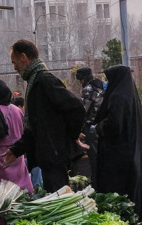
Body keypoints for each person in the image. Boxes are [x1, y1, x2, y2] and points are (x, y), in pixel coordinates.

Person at [5, 39, 85, 192]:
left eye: (14, 62)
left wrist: (71, 135)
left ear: (23, 57)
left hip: (54, 155)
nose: (14, 67)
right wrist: (16, 150)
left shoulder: (44, 81)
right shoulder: (34, 82)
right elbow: (35, 126)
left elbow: (76, 108)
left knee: (59, 200)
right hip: (48, 155)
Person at [93, 65, 142, 225]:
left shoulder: (117, 97)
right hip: (131, 150)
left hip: (118, 156)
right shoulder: (130, 95)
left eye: (108, 80)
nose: (105, 83)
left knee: (120, 195)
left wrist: (98, 127)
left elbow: (114, 125)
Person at [73, 66, 106, 181]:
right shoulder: (100, 86)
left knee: (93, 157)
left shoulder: (88, 89)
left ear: (84, 78)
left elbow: (83, 110)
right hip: (101, 126)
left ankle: (96, 181)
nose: (80, 82)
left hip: (90, 127)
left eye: (80, 79)